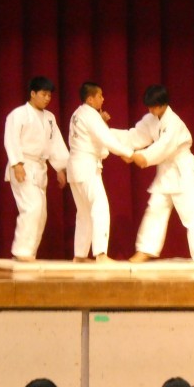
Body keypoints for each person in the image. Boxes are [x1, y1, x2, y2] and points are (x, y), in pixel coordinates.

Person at [112, 84, 194, 262]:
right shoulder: (151, 119)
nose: (151, 110)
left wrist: (136, 156)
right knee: (155, 210)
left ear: (163, 104)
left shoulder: (174, 123)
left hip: (184, 172)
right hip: (165, 173)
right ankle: (144, 250)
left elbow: (162, 148)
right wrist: (108, 135)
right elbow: (134, 136)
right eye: (149, 107)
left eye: (154, 106)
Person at [4, 76, 69, 262]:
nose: (47, 98)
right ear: (33, 94)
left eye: (49, 95)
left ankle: (30, 252)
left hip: (40, 166)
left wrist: (60, 168)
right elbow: (11, 139)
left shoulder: (50, 118)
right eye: (44, 94)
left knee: (41, 213)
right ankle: (21, 251)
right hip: (23, 164)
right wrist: (17, 163)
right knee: (32, 207)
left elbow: (55, 143)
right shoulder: (18, 114)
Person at [67, 82, 133, 262]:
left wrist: (101, 121)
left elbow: (95, 137)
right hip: (86, 166)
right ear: (90, 99)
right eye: (100, 96)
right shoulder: (90, 114)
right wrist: (127, 153)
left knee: (84, 213)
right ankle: (101, 254)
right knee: (100, 208)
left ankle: (80, 255)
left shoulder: (78, 113)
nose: (103, 99)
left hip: (76, 167)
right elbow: (106, 138)